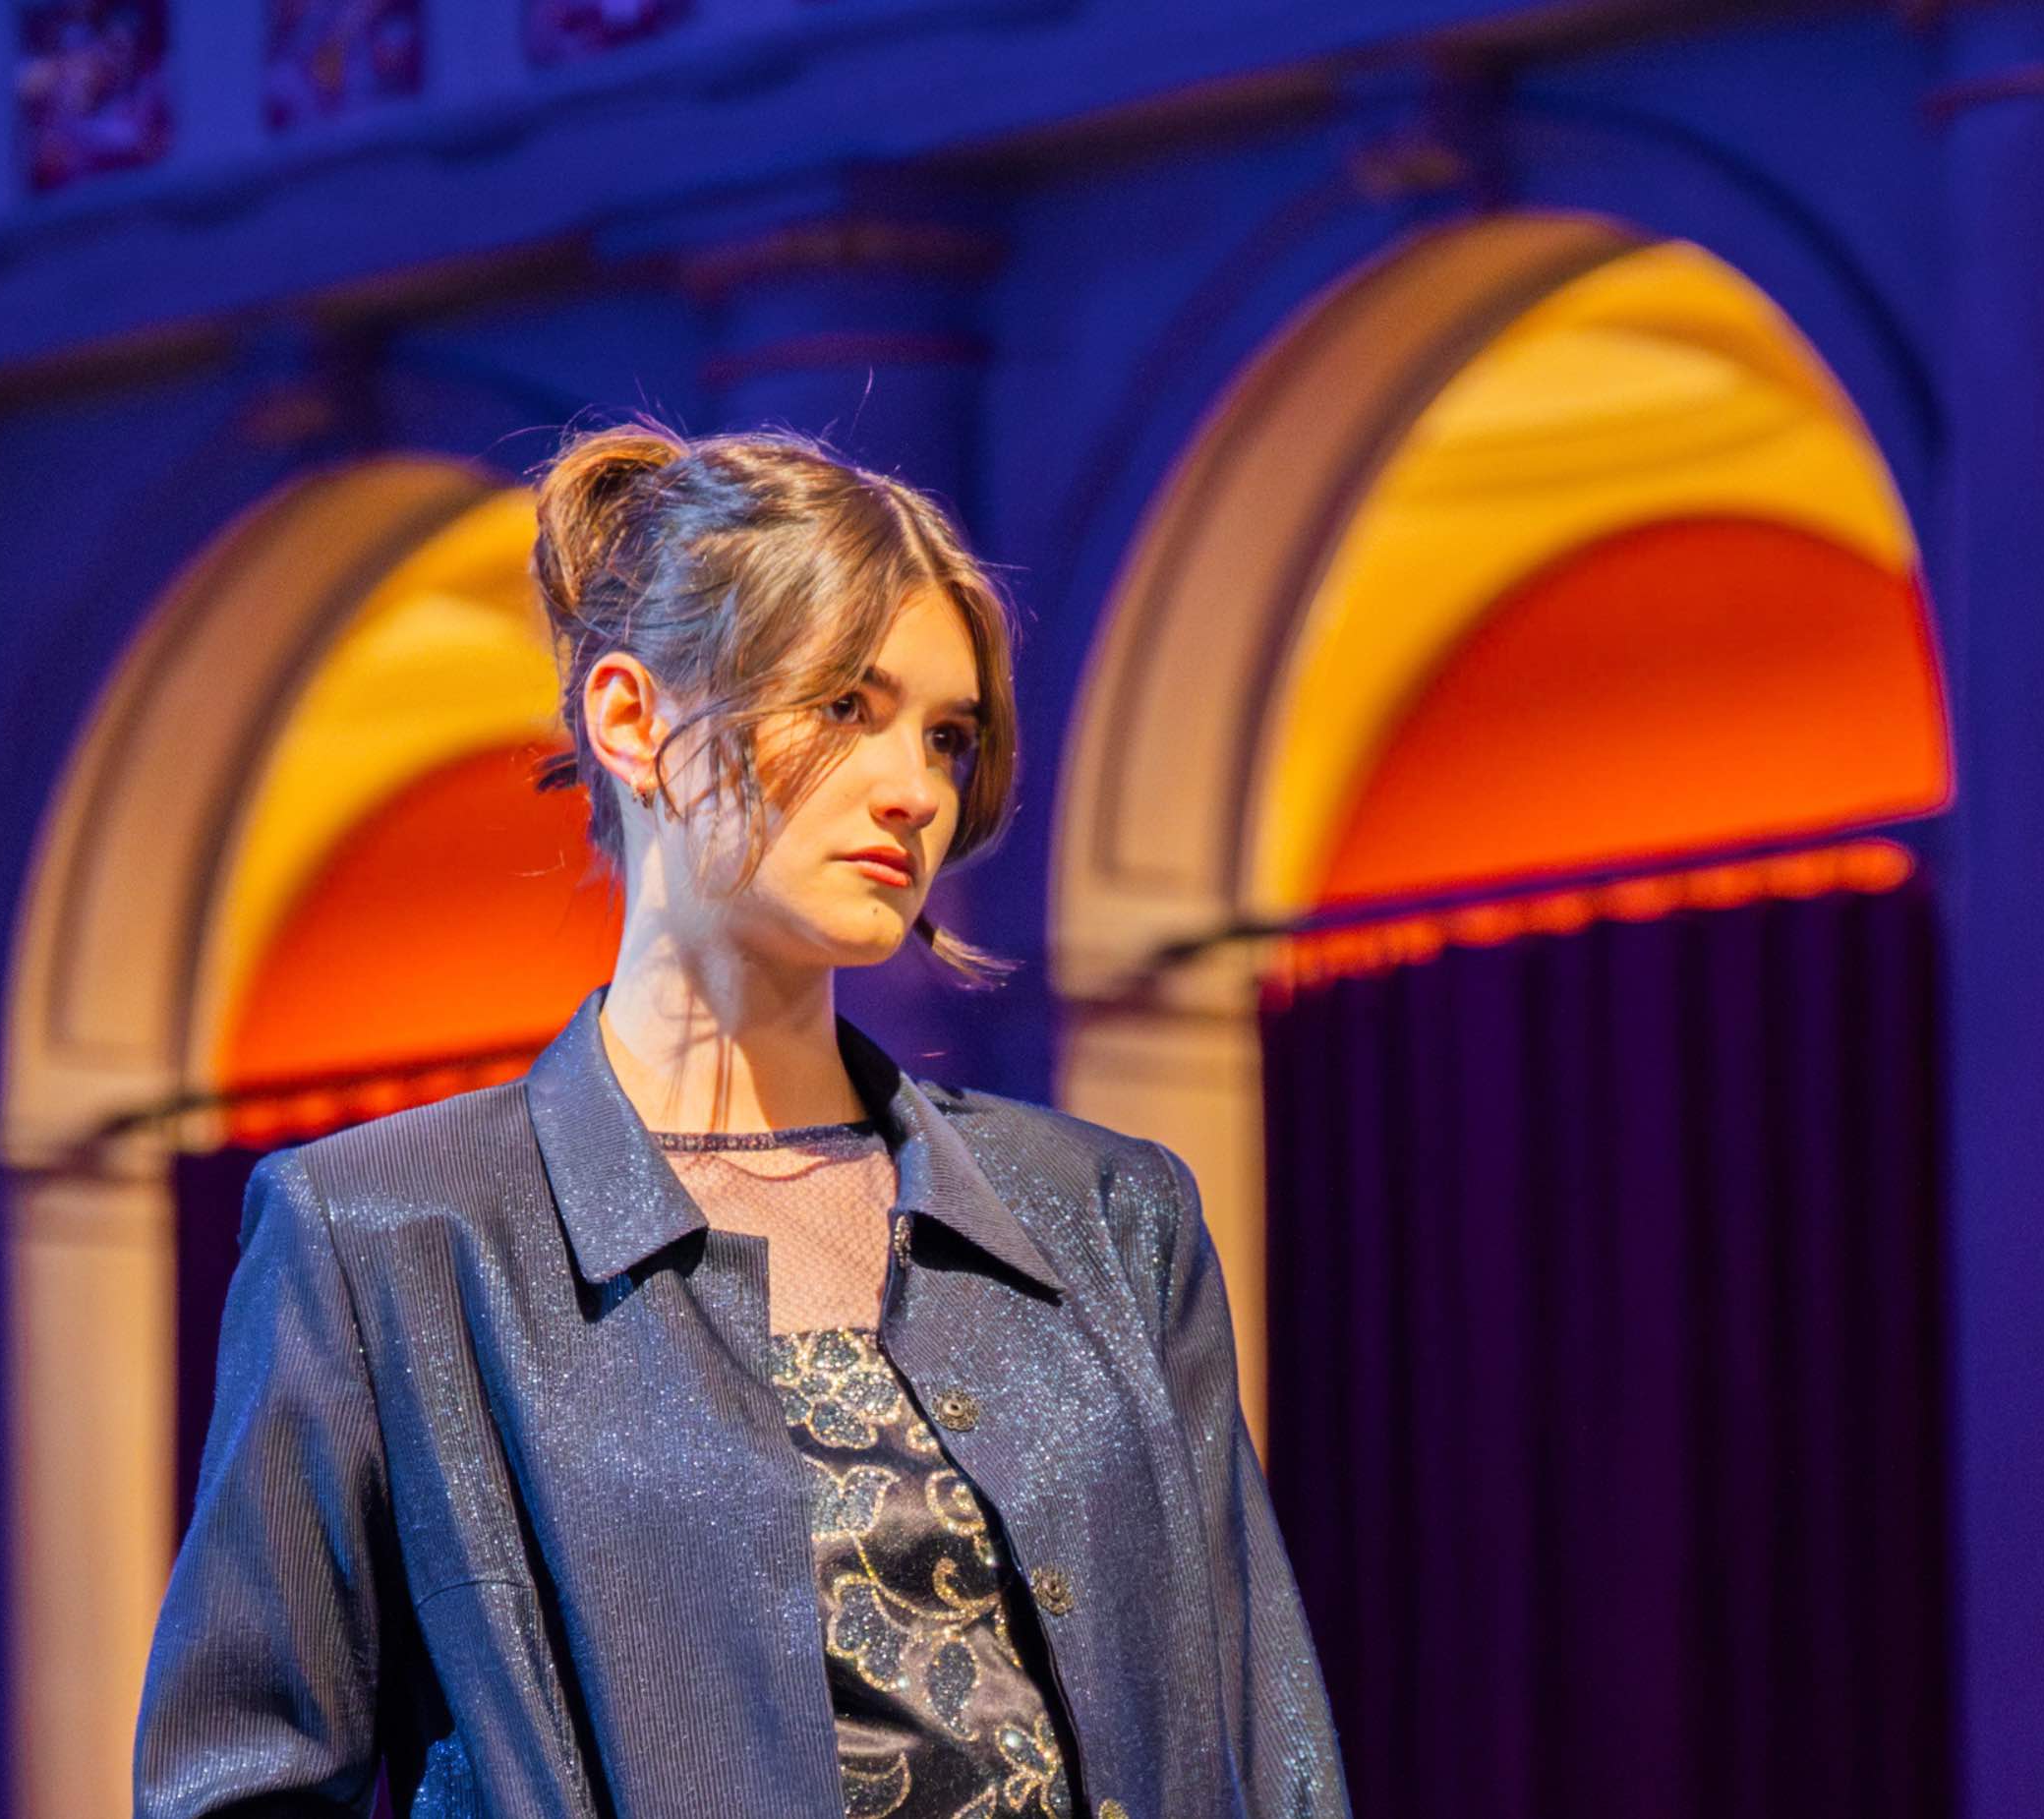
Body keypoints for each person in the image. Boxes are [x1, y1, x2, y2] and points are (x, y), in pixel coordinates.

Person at [132, 416, 1352, 1819]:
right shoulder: (389, 1237)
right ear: (631, 720)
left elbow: (1266, 1744)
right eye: (843, 706)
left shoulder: (1107, 1220)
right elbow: (243, 1781)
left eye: (948, 737)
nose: (915, 789)